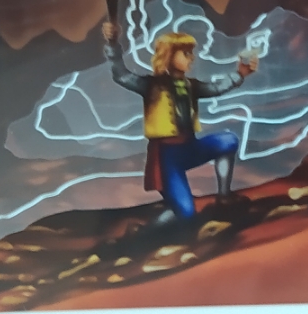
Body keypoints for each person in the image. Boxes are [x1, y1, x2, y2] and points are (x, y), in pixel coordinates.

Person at [103, 21, 257, 220]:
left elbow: (215, 88)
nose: (191, 58)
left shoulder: (190, 85)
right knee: (186, 214)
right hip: (168, 158)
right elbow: (122, 76)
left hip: (190, 148)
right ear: (169, 55)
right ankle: (147, 231)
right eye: (185, 53)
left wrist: (240, 74)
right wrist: (113, 44)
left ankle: (224, 196)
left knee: (228, 141)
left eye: (191, 53)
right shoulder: (151, 85)